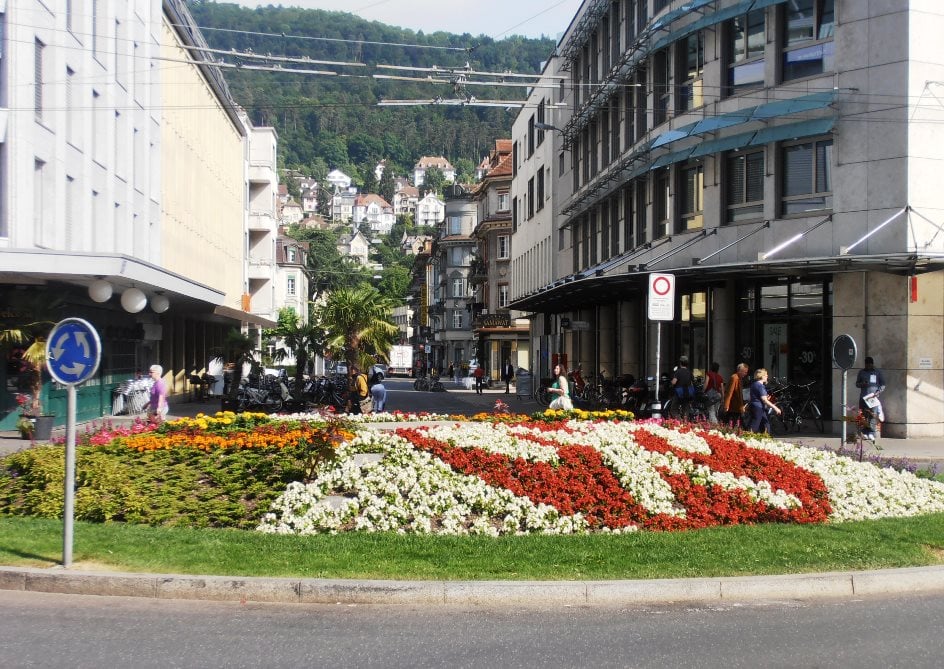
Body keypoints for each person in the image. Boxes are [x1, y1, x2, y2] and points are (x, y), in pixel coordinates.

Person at [855, 356, 886, 442]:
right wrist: (862, 384)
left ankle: (871, 433)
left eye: (870, 365)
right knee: (864, 415)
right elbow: (857, 384)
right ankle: (864, 432)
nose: (868, 366)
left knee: (873, 415)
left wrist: (878, 392)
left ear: (872, 364)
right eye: (867, 365)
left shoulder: (877, 372)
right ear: (865, 364)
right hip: (863, 397)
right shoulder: (861, 372)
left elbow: (883, 384)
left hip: (873, 398)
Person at [748, 368, 780, 434]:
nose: (767, 376)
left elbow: (757, 397)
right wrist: (775, 408)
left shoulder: (754, 384)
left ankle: (765, 438)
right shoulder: (760, 386)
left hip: (755, 406)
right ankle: (748, 439)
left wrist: (765, 398)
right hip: (759, 407)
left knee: (765, 424)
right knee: (755, 425)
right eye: (766, 375)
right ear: (762, 376)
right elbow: (764, 400)